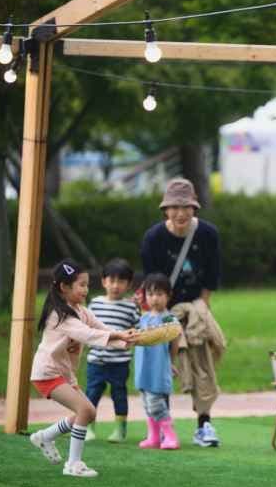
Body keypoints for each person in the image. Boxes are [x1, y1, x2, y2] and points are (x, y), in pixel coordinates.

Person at [28, 260, 136, 478]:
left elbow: (102, 329)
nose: (86, 289)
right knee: (84, 410)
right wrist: (119, 336)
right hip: (47, 373)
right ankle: (73, 464)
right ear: (64, 287)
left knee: (88, 412)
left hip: (62, 374)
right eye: (81, 285)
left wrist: (127, 340)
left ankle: (45, 437)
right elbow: (88, 334)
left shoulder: (82, 311)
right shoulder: (60, 315)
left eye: (87, 284)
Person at [141, 177, 223, 448]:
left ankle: (204, 423)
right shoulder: (153, 238)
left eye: (186, 207)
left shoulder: (208, 234)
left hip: (196, 306)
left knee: (202, 364)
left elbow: (211, 279)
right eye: (174, 207)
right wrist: (159, 317)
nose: (180, 213)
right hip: (163, 309)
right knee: (162, 366)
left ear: (194, 208)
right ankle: (163, 425)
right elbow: (151, 282)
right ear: (165, 209)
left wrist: (202, 313)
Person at [84, 258, 139, 443]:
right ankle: (88, 428)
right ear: (103, 281)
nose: (116, 286)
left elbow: (138, 328)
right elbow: (86, 328)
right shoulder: (95, 304)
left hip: (120, 362)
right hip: (96, 360)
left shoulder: (131, 307)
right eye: (112, 280)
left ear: (128, 284)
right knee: (92, 394)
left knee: (119, 394)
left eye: (121, 281)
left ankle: (120, 430)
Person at [135, 273, 182, 451]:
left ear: (168, 296)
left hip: (158, 368)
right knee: (148, 404)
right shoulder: (144, 318)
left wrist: (171, 362)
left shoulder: (169, 319)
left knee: (156, 404)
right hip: (143, 369)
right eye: (151, 294)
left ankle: (170, 437)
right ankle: (154, 437)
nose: (154, 298)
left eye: (159, 294)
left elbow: (175, 341)